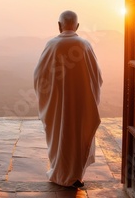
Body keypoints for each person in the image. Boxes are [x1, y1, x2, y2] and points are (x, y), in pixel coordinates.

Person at [33, 10, 103, 188]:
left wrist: (53, 93)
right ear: (77, 26)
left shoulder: (52, 45)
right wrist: (87, 93)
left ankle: (60, 173)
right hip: (81, 103)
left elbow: (39, 76)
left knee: (60, 136)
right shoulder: (85, 45)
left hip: (57, 105)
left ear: (59, 25)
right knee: (78, 137)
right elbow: (97, 77)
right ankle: (76, 175)